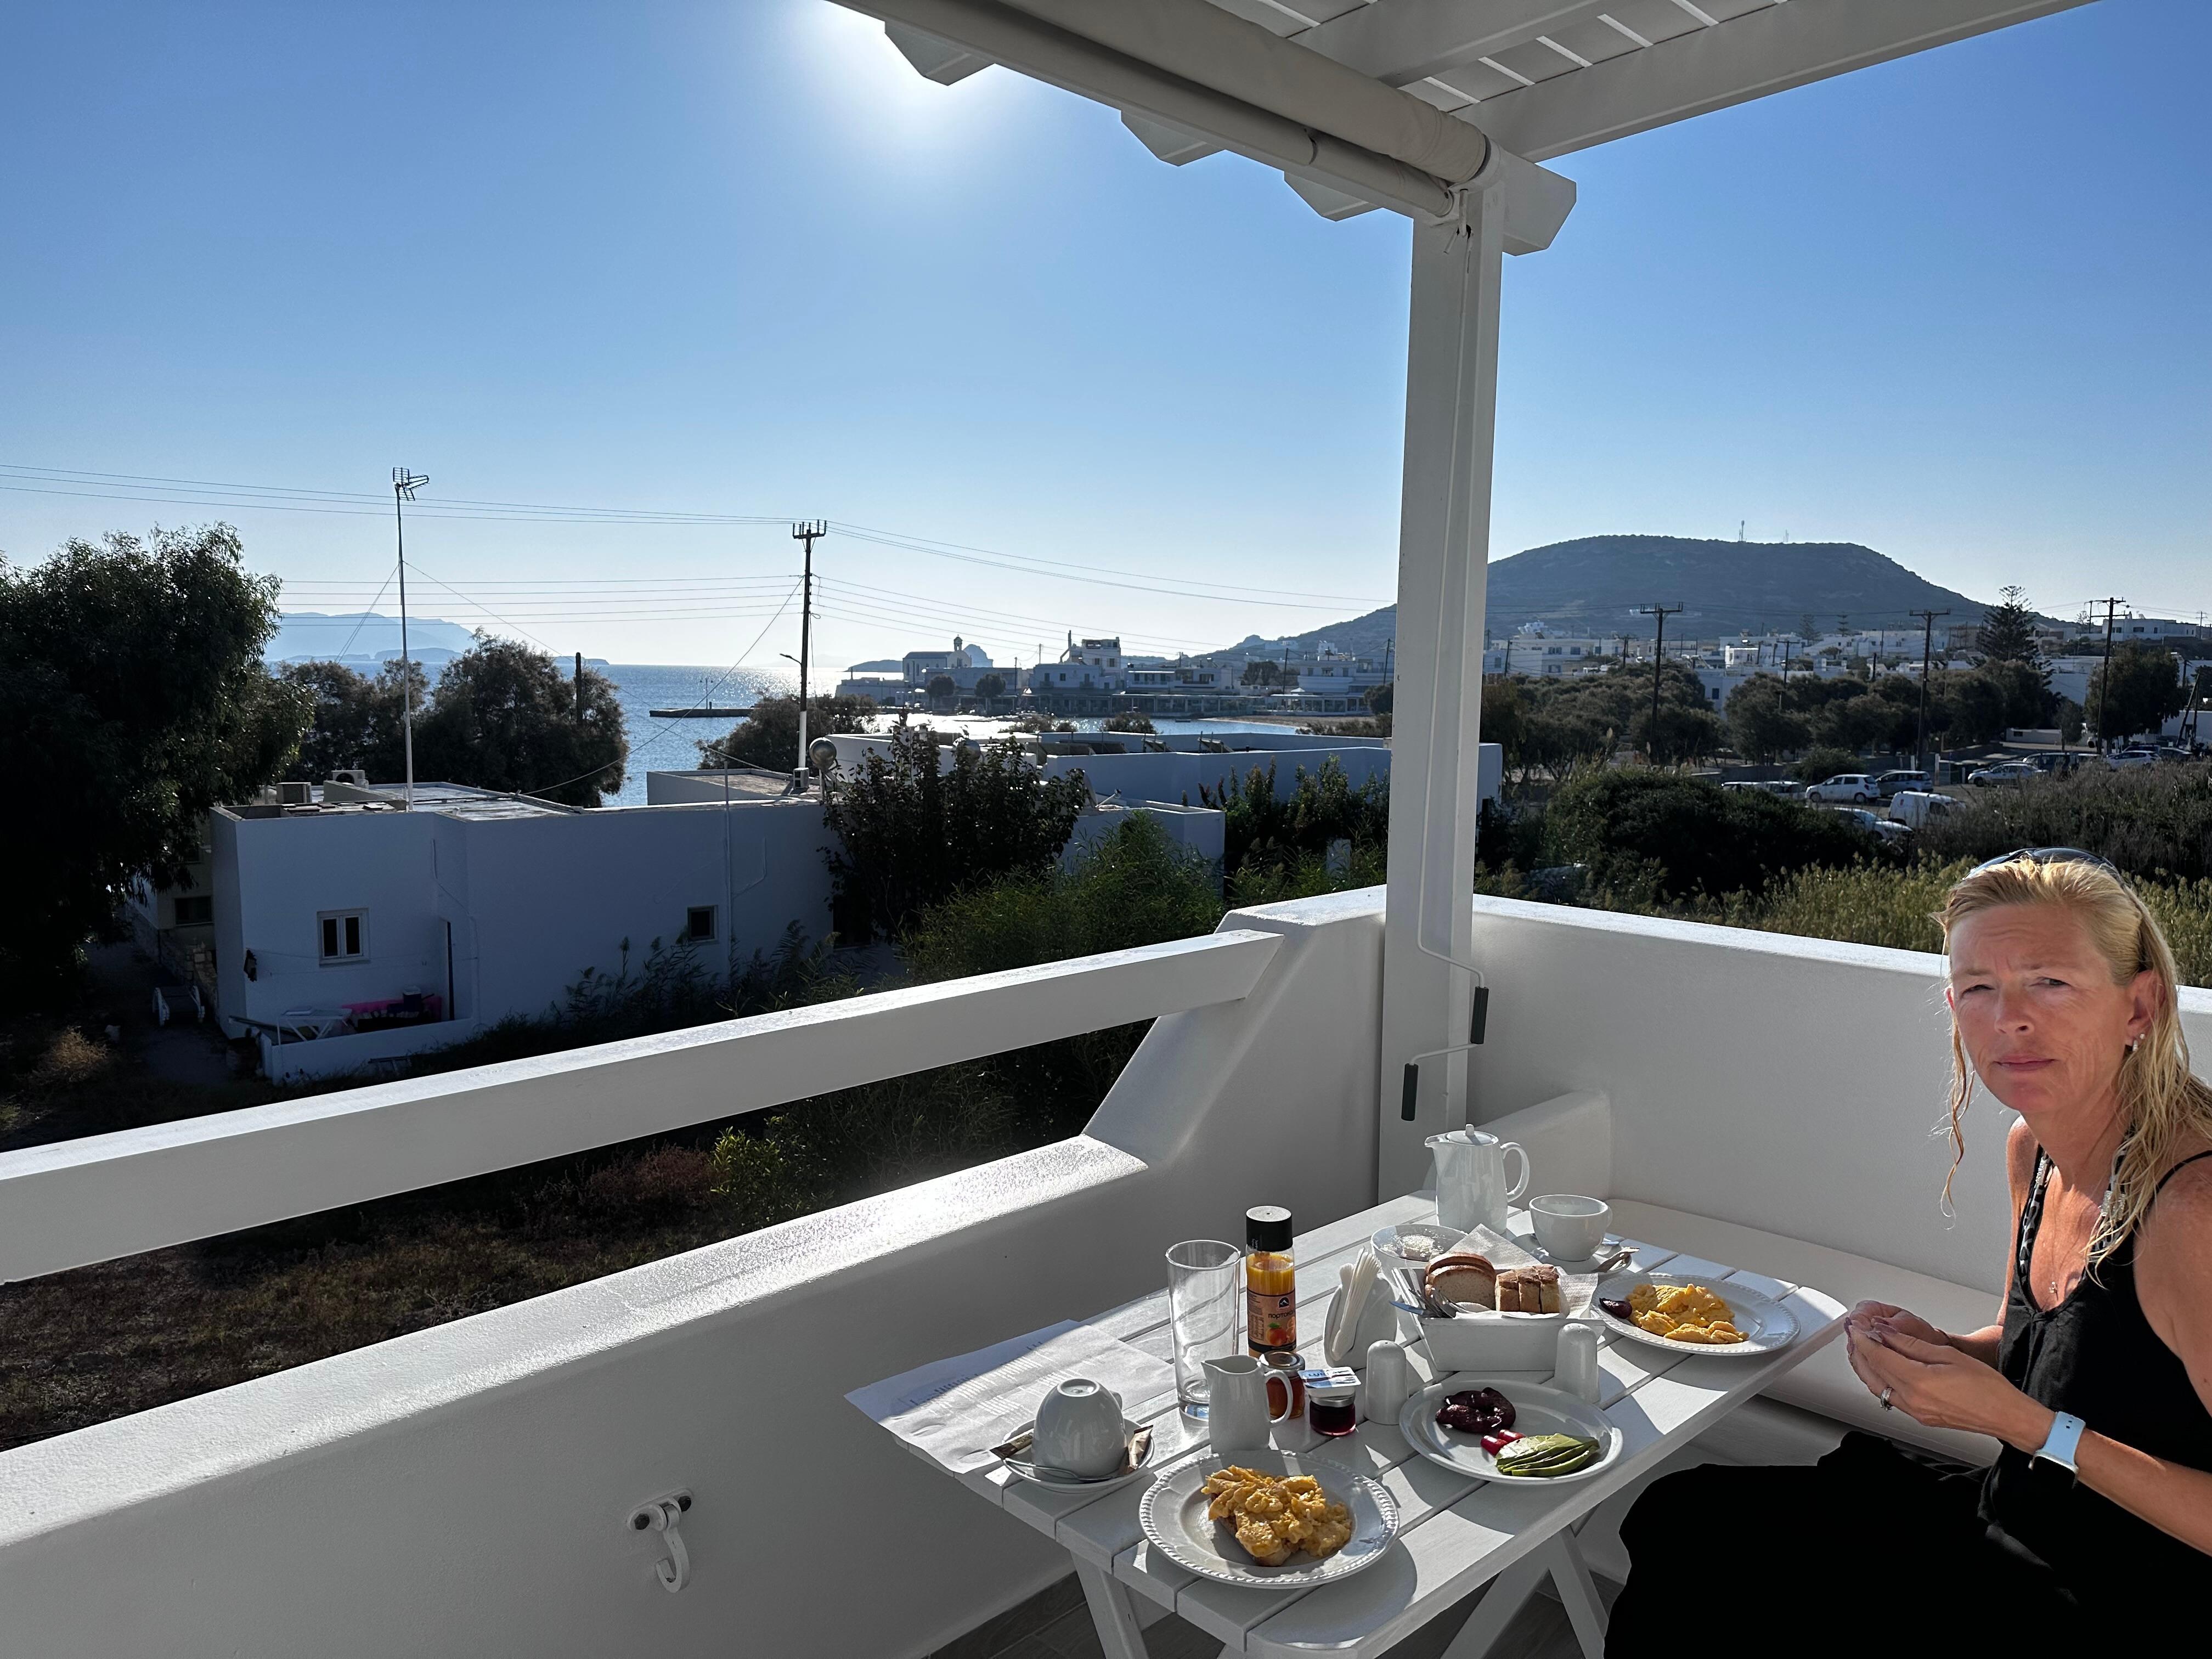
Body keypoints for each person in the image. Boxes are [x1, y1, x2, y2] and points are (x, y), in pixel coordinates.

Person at [1607, 849, 2212, 1654]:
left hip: (2132, 1598)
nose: (2010, 1019)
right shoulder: (2033, 1150)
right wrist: (1942, 1353)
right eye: (1979, 990)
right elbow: (2045, 1348)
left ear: (2139, 1007)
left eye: (2051, 983)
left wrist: (2033, 1429)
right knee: (1682, 1516)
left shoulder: (2193, 1210)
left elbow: (2051, 1418)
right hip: (2020, 1514)